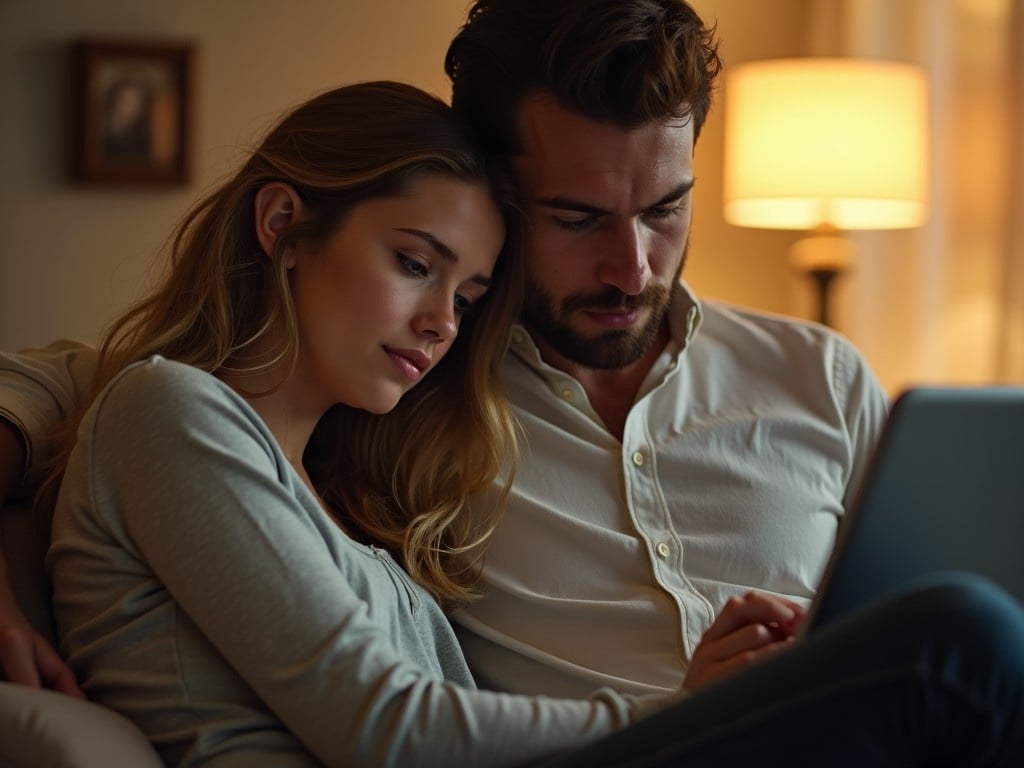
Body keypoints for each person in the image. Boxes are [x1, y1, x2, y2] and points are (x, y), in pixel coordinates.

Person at [2, 2, 1024, 765]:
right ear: (493, 189)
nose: (632, 267)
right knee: (959, 638)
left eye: (666, 208)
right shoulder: (407, 387)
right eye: (577, 220)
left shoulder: (820, 375)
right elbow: (111, 386)